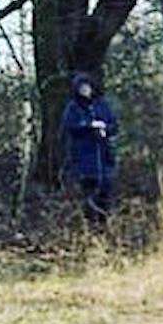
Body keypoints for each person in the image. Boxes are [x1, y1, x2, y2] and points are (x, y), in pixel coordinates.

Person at [60, 72, 118, 223]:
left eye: (87, 87)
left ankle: (104, 223)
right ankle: (90, 225)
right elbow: (70, 126)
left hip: (104, 157)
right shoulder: (73, 108)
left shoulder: (101, 105)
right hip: (84, 158)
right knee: (88, 193)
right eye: (81, 87)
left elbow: (113, 124)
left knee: (105, 192)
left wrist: (105, 129)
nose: (85, 90)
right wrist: (89, 126)